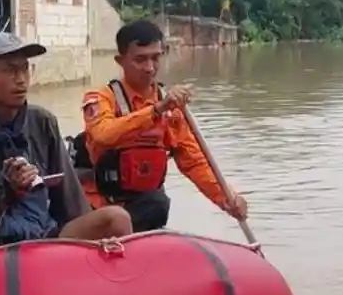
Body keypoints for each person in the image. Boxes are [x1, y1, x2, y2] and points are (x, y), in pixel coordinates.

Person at [0, 32, 132, 255]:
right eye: (9, 70)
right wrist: (4, 194)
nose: (21, 79)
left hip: (44, 232)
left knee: (116, 218)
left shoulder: (43, 122)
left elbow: (71, 200)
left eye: (24, 68)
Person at [70, 20, 248, 232]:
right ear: (121, 61)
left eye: (156, 58)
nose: (150, 68)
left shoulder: (172, 110)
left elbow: (193, 162)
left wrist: (226, 198)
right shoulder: (101, 98)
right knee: (147, 207)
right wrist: (156, 111)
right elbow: (103, 134)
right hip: (100, 210)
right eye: (140, 60)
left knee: (158, 203)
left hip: (145, 207)